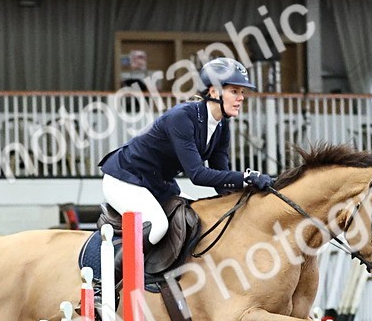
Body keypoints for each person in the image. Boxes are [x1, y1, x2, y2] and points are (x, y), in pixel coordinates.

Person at [99, 57, 275, 245]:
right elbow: (197, 175)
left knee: (197, 219)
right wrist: (246, 177)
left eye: (241, 92)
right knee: (158, 226)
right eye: (234, 91)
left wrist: (249, 193)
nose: (241, 98)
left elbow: (222, 182)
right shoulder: (181, 117)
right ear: (214, 91)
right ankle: (112, 272)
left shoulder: (222, 126)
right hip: (125, 180)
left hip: (158, 184)